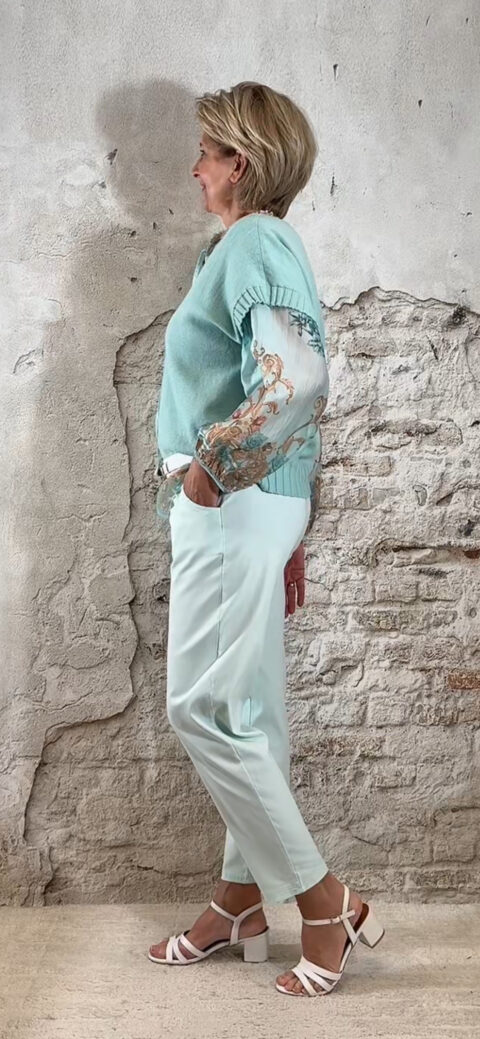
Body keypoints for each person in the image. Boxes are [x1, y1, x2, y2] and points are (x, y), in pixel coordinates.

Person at [149, 82, 384, 997]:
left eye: (207, 152)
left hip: (229, 503)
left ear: (240, 162)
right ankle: (240, 898)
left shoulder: (252, 240)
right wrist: (287, 514)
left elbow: (298, 380)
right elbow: (290, 391)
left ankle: (326, 902)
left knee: (203, 710)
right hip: (256, 505)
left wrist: (216, 466)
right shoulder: (254, 246)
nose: (195, 168)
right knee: (250, 711)